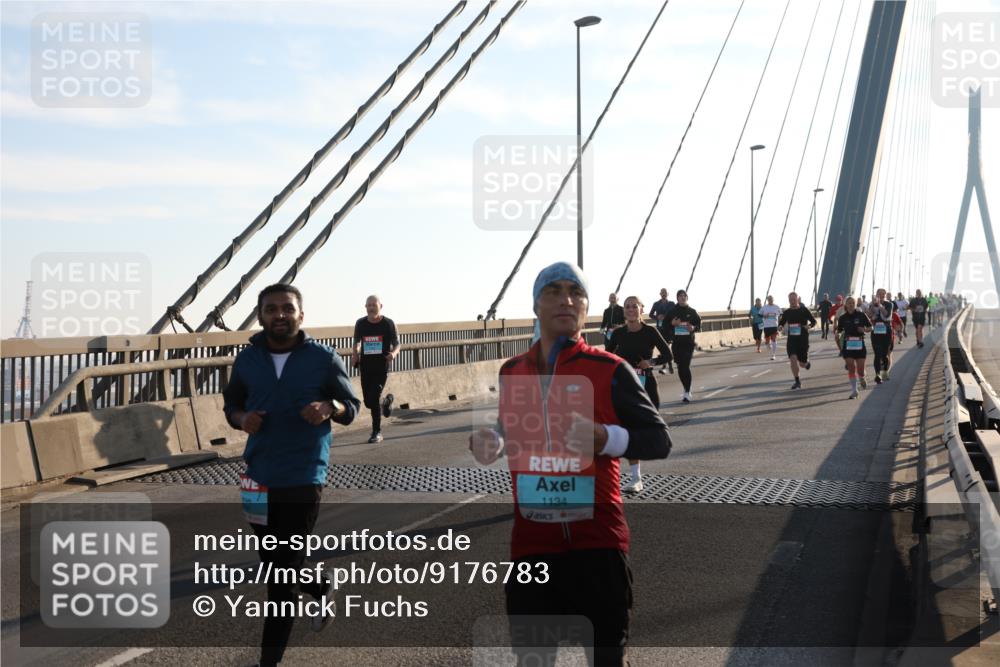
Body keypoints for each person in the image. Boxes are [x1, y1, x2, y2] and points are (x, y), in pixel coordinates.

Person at [469, 261, 671, 667]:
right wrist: (491, 440)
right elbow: (507, 426)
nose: (566, 299)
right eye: (554, 291)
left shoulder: (611, 369)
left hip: (598, 543)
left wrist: (607, 438)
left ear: (586, 307)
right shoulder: (512, 371)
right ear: (536, 306)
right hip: (532, 546)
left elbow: (659, 440)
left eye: (576, 292)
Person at [223, 284, 361, 667]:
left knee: (281, 578)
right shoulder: (247, 360)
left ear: (301, 315)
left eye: (287, 308)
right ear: (260, 315)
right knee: (277, 560)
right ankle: (318, 586)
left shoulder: (323, 358)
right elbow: (231, 405)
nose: (279, 315)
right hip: (257, 475)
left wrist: (330, 406)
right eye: (271, 309)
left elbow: (352, 407)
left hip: (303, 474)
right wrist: (241, 419)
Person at [606, 295, 673, 494]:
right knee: (629, 428)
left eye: (634, 306)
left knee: (649, 430)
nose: (630, 310)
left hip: (647, 385)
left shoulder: (650, 331)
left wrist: (650, 363)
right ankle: (635, 478)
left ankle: (638, 469)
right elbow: (608, 356)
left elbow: (668, 355)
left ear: (641, 310)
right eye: (627, 307)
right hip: (626, 386)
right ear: (624, 311)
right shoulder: (618, 333)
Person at [352, 295, 399, 443]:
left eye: (374, 305)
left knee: (373, 398)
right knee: (368, 402)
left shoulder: (388, 323)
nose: (371, 307)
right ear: (365, 307)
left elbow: (397, 343)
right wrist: (355, 354)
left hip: (381, 367)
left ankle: (376, 432)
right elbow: (357, 342)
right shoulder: (360, 323)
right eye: (369, 305)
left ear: (381, 306)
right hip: (365, 366)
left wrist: (393, 354)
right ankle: (386, 401)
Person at [778, 291, 816, 390]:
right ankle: (797, 381)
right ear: (788, 300)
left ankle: (806, 363)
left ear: (797, 299)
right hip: (792, 340)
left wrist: (809, 326)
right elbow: (781, 322)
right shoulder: (787, 312)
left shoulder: (804, 310)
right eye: (790, 300)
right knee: (793, 359)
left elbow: (814, 321)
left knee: (802, 364)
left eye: (794, 299)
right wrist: (780, 327)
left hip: (803, 339)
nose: (792, 301)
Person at [836, 296, 873, 399]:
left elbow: (871, 327)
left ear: (856, 304)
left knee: (860, 370)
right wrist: (838, 335)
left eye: (853, 303)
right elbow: (839, 330)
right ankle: (854, 390)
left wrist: (865, 330)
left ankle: (861, 377)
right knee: (851, 368)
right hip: (848, 345)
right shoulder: (843, 318)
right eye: (849, 303)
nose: (851, 304)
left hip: (860, 344)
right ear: (845, 305)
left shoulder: (861, 315)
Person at [670, 289, 702, 403]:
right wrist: (672, 324)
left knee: (685, 366)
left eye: (684, 296)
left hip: (688, 343)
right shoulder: (672, 311)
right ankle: (685, 387)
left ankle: (687, 392)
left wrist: (693, 328)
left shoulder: (692, 311)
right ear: (677, 298)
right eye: (680, 296)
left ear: (687, 298)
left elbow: (699, 324)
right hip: (676, 344)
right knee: (680, 367)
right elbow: (665, 326)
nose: (682, 298)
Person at [867, 289, 894, 384]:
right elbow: (869, 315)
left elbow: (886, 314)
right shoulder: (872, 304)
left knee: (884, 354)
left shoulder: (889, 304)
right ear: (877, 295)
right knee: (877, 354)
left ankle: (884, 373)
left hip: (886, 331)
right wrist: (872, 307)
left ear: (885, 295)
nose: (882, 296)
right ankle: (877, 375)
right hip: (876, 331)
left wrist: (879, 305)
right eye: (880, 294)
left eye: (883, 294)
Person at [648, 288, 676, 374]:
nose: (663, 294)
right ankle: (668, 366)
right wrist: (657, 317)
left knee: (666, 346)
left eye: (665, 293)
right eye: (662, 293)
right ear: (660, 294)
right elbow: (650, 314)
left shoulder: (672, 304)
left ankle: (667, 366)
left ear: (668, 294)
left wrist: (667, 317)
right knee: (663, 347)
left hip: (669, 329)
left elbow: (675, 313)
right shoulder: (656, 304)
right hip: (660, 329)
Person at [760, 295, 782, 361]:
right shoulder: (764, 307)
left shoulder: (776, 307)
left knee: (774, 339)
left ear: (773, 299)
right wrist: (764, 315)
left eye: (771, 299)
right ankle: (768, 345)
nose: (770, 300)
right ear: (767, 300)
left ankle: (773, 355)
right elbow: (759, 314)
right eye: (769, 299)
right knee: (767, 342)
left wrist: (780, 323)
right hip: (766, 326)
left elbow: (781, 314)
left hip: (774, 325)